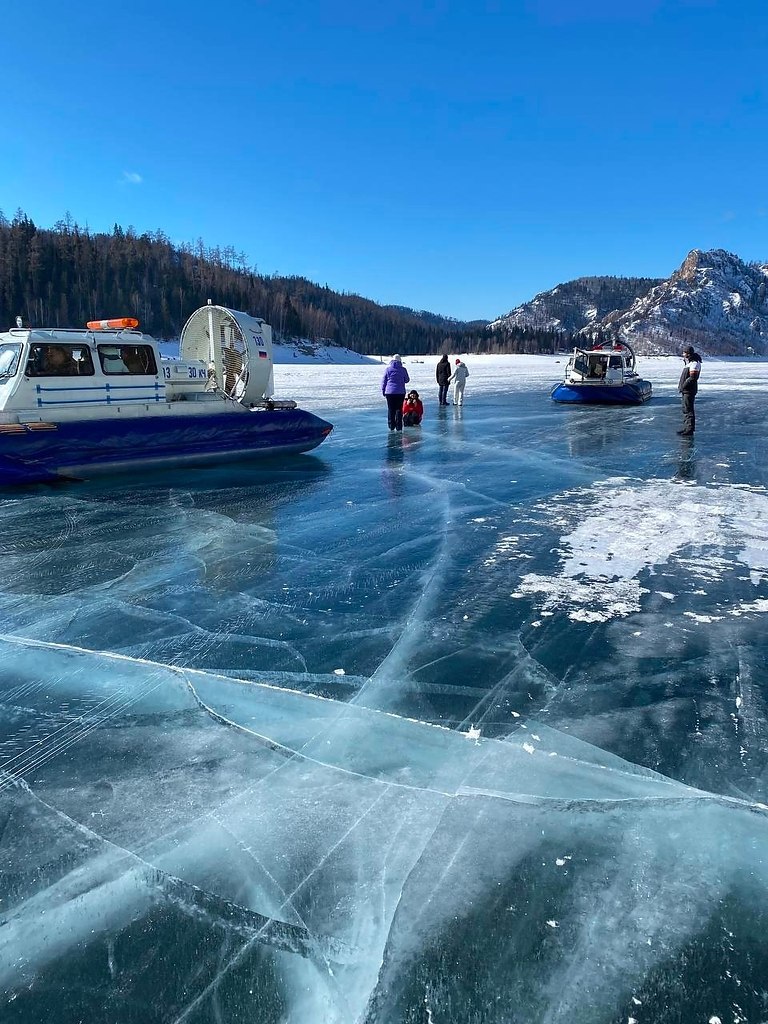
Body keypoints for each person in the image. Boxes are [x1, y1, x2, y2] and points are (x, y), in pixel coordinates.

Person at [677, 344, 701, 436]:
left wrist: (683, 386)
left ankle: (689, 429)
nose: (683, 354)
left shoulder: (694, 363)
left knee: (688, 409)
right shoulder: (690, 363)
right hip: (686, 390)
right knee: (686, 409)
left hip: (689, 390)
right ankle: (687, 427)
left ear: (688, 353)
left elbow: (692, 377)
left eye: (684, 353)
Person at [381, 354, 410, 430]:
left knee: (391, 409)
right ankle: (399, 426)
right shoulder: (403, 369)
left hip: (389, 393)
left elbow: (384, 381)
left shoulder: (388, 369)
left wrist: (383, 391)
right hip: (400, 392)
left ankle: (391, 426)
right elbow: (407, 380)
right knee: (399, 409)